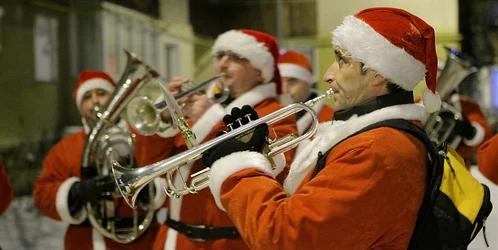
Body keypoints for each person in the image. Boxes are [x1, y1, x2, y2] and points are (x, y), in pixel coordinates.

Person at [202, 7, 442, 249]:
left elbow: (285, 238)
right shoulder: (376, 139)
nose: (328, 75)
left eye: (341, 60)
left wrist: (239, 168)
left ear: (378, 73)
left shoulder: (375, 150)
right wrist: (261, 158)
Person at [152, 29, 298, 250]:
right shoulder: (199, 105)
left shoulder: (276, 112)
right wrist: (163, 118)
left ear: (260, 73)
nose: (223, 64)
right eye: (220, 56)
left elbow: (272, 172)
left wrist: (210, 120)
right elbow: (150, 160)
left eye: (237, 58)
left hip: (228, 243)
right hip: (175, 240)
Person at [33, 70, 174, 250]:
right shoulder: (65, 148)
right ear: (80, 107)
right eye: (87, 97)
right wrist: (76, 192)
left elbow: (173, 178)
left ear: (115, 98)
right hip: (87, 241)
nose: (95, 101)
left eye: (101, 93)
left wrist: (150, 189)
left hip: (142, 240)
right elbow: (42, 194)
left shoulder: (142, 137)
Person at [278, 49, 335, 155]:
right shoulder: (264, 114)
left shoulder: (331, 119)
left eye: (292, 82)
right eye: (279, 83)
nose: (284, 90)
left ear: (309, 84)